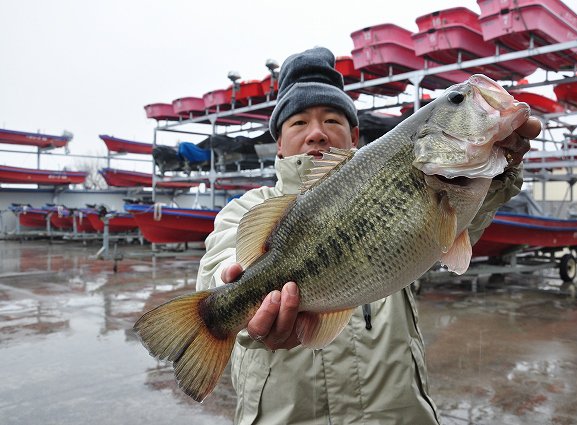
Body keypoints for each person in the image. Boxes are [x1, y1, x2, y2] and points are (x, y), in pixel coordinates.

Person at [197, 47, 540, 424]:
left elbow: (454, 232)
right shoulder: (247, 210)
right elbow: (222, 261)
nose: (316, 134)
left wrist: (498, 171)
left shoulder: (437, 181)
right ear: (278, 141)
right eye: (298, 123)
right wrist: (233, 294)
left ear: (354, 134)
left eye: (332, 120)